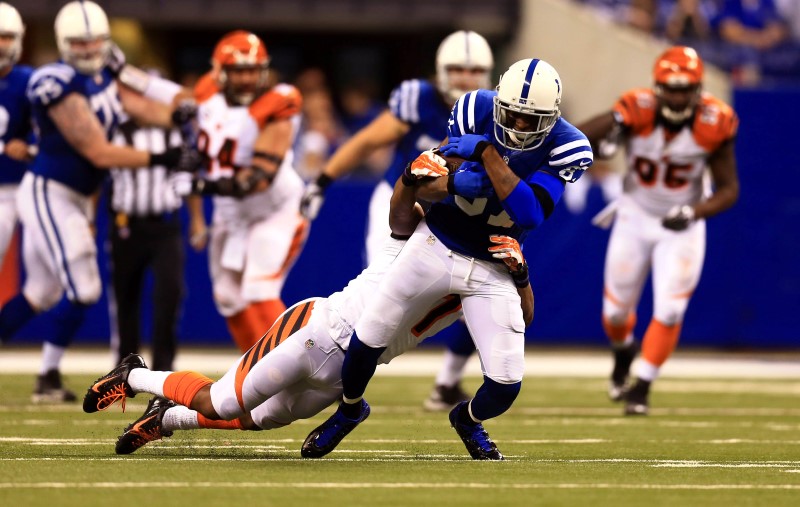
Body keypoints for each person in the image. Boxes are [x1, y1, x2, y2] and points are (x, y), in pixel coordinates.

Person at [82, 171, 533, 456]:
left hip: (351, 371)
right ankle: (134, 376)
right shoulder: (425, 236)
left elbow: (520, 318)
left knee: (258, 418)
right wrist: (412, 176)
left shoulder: (492, 272)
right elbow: (402, 209)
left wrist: (520, 273)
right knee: (224, 401)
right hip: (320, 331)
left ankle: (163, 419)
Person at [302, 58, 593, 460]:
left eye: (533, 120)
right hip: (435, 242)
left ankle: (468, 418)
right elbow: (431, 182)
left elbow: (530, 213)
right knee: (367, 337)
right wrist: (459, 179)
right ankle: (349, 410)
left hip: (493, 262)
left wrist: (488, 154)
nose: (521, 127)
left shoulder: (567, 144)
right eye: (513, 116)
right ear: (499, 104)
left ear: (553, 117)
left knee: (506, 385)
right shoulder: (474, 107)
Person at [0, 0, 197, 402]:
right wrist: (163, 156)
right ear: (63, 43)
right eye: (80, 43)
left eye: (96, 42)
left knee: (41, 292)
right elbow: (99, 152)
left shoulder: (108, 75)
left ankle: (48, 377)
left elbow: (148, 103)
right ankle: (49, 375)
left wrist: (177, 114)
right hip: (49, 191)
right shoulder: (54, 80)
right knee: (84, 288)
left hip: (73, 195)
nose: (89, 51)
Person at [300, 30, 495, 411]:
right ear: (440, 70)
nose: (465, 78)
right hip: (402, 208)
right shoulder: (419, 99)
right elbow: (369, 140)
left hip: (452, 214)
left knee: (482, 289)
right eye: (457, 69)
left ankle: (446, 383)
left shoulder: (493, 109)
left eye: (474, 70)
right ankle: (339, 370)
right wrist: (323, 179)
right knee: (382, 295)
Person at [577, 46, 739, 416]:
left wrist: (695, 211)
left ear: (698, 88)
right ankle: (623, 354)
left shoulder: (716, 121)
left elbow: (730, 189)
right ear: (657, 86)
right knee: (615, 315)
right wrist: (609, 137)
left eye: (686, 89)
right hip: (635, 214)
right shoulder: (637, 107)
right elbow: (582, 136)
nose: (678, 96)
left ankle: (643, 386)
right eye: (671, 87)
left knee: (670, 309)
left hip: (681, 222)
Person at [184, 30, 308, 353]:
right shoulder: (205, 95)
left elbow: (257, 179)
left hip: (274, 210)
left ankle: (301, 372)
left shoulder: (279, 103)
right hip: (230, 213)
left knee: (259, 289)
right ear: (219, 72)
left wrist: (201, 186)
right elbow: (195, 158)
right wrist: (197, 217)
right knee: (227, 295)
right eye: (238, 71)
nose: (246, 79)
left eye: (252, 70)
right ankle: (255, 374)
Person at [107, 118, 187, 371]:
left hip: (165, 224)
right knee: (126, 295)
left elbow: (187, 176)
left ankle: (164, 367)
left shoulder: (173, 132)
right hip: (127, 224)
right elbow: (101, 170)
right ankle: (126, 368)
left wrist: (196, 220)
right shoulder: (116, 129)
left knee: (170, 291)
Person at [0, 2, 33, 272]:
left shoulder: (29, 81)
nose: (0, 44)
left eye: (6, 37)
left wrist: (29, 146)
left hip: (20, 187)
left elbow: (48, 131)